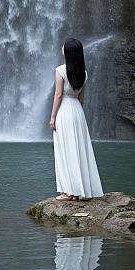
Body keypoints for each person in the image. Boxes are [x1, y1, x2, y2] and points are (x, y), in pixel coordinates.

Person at [49, 38, 104, 201]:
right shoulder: (84, 73)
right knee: (78, 150)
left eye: (64, 46)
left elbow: (58, 95)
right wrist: (77, 112)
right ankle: (76, 191)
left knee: (66, 150)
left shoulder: (60, 71)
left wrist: (53, 117)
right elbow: (81, 98)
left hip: (64, 111)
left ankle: (69, 192)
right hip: (77, 112)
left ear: (67, 52)